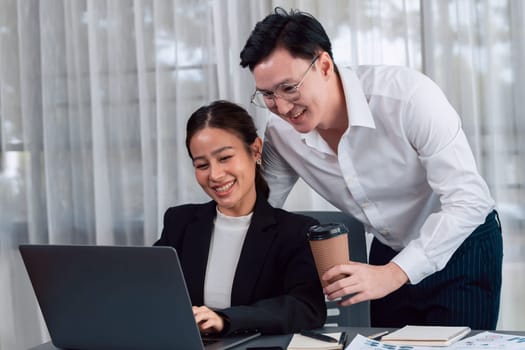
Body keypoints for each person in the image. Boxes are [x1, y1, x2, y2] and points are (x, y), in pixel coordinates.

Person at [239, 7, 503, 329]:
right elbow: (263, 215)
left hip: (462, 243)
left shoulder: (407, 98)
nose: (281, 107)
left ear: (323, 65)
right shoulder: (281, 134)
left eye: (289, 88)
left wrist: (394, 274)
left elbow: (469, 200)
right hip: (388, 248)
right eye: (267, 94)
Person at [154, 100, 326, 335]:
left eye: (225, 158)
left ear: (255, 150)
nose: (214, 175)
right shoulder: (179, 222)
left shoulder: (296, 231)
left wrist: (226, 320)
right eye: (202, 165)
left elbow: (306, 308)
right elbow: (150, 290)